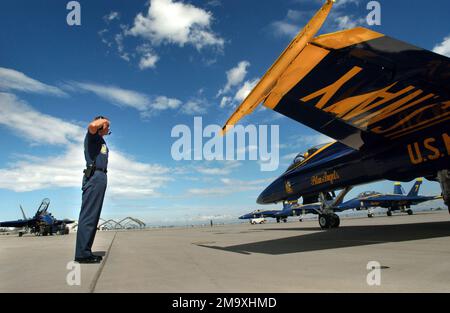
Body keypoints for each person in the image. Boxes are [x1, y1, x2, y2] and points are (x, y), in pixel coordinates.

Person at [74, 116, 110, 264]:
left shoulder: (100, 140)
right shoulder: (93, 135)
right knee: (89, 216)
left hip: (100, 176)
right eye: (108, 126)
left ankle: (86, 251)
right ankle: (82, 254)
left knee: (93, 217)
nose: (109, 129)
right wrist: (104, 121)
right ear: (102, 125)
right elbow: (92, 125)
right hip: (94, 176)